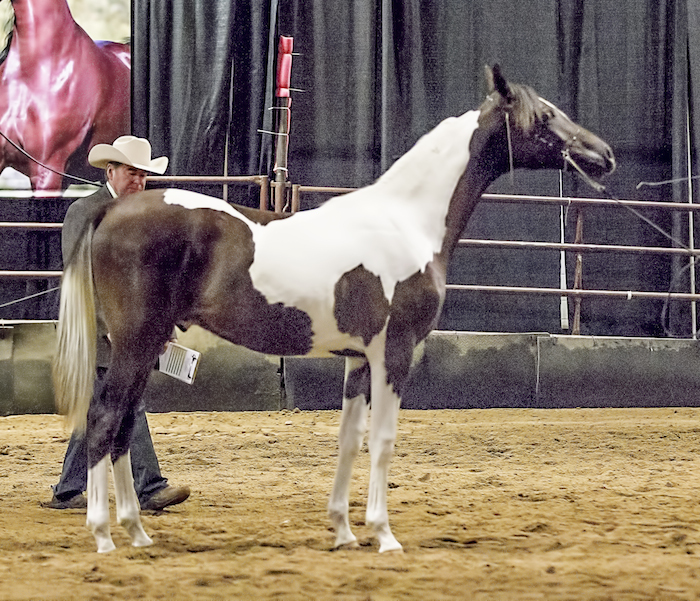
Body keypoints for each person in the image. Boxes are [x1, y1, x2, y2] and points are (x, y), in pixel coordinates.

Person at [44, 136, 191, 511]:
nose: (138, 181)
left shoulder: (142, 217)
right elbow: (80, 276)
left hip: (127, 330)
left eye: (143, 174)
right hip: (93, 330)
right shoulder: (85, 211)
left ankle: (67, 490)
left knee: (104, 407)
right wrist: (109, 323)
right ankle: (150, 487)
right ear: (110, 172)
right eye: (131, 172)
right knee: (128, 403)